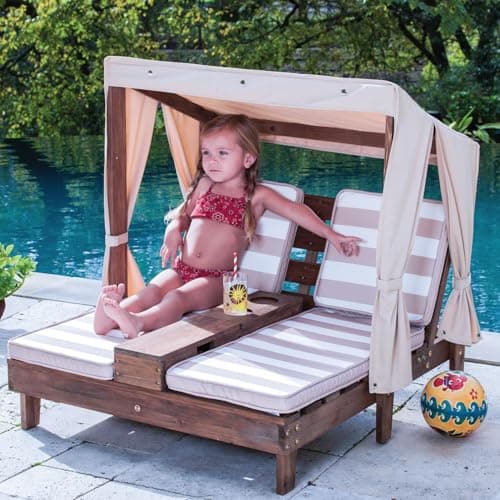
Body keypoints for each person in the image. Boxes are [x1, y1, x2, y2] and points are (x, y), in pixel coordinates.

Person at [93, 114, 361, 338]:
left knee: (176, 299)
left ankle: (138, 323)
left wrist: (332, 235)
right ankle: (110, 314)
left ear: (248, 159)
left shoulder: (256, 196)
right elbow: (184, 214)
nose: (212, 160)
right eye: (206, 153)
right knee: (152, 290)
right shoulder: (205, 185)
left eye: (222, 153)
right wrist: (173, 228)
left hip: (217, 280)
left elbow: (296, 211)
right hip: (182, 268)